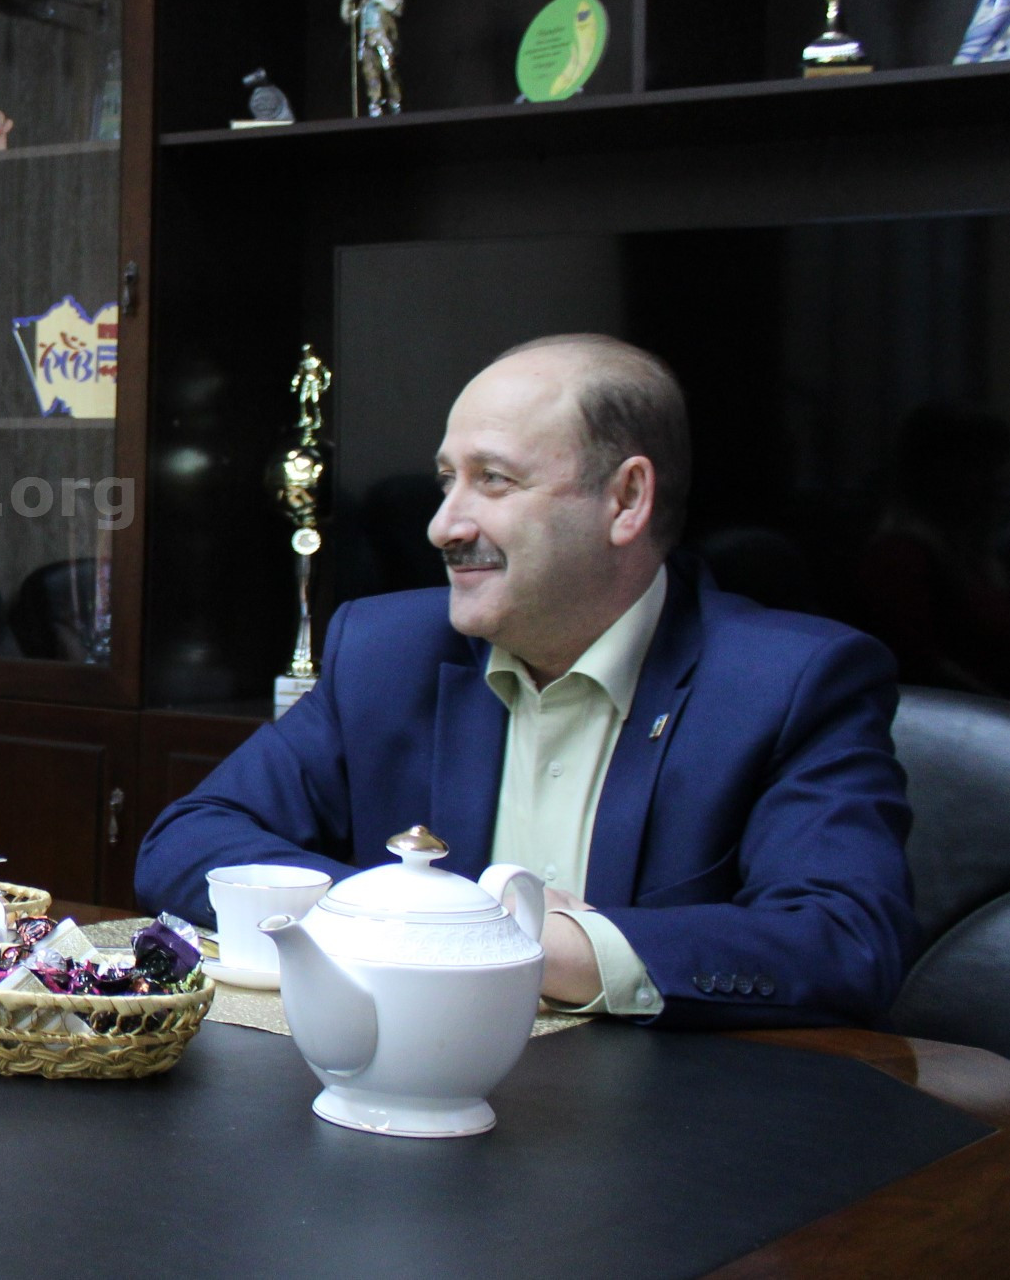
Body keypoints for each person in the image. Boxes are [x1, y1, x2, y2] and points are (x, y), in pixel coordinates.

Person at [137, 335, 915, 1029]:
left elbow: (845, 940)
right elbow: (189, 839)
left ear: (625, 499)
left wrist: (557, 947)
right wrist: (422, 921)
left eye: (493, 480)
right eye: (446, 480)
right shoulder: (385, 653)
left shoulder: (788, 683)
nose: (443, 525)